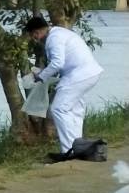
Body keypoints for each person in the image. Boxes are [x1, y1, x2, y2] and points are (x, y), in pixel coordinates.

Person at [24, 14, 103, 155]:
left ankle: (68, 150)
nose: (35, 39)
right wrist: (44, 73)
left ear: (37, 32)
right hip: (89, 72)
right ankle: (78, 148)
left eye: (33, 35)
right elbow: (60, 63)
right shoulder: (60, 33)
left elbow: (57, 63)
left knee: (58, 109)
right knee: (75, 109)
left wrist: (41, 76)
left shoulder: (54, 38)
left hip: (79, 74)